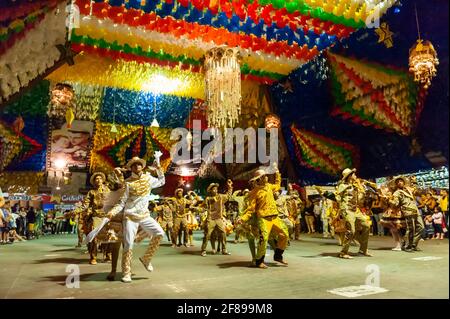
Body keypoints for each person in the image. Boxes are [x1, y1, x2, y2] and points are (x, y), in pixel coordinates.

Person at [106, 154, 165, 283]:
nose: (137, 166)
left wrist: (158, 167)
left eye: (139, 164)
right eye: (134, 165)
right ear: (131, 168)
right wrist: (112, 212)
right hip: (130, 216)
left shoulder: (148, 179)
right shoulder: (127, 183)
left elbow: (162, 181)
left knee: (160, 233)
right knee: (128, 244)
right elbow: (122, 202)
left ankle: (146, 259)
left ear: (142, 167)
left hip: (144, 215)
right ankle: (126, 273)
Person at [237, 163, 289, 269]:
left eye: (266, 176)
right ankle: (259, 261)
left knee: (285, 235)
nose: (266, 177)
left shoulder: (269, 187)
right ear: (259, 179)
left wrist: (277, 172)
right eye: (264, 176)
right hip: (263, 219)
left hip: (274, 217)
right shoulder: (254, 193)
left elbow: (278, 185)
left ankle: (278, 256)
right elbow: (250, 209)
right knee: (263, 239)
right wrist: (242, 218)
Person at [73, 172, 110, 264]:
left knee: (109, 236)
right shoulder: (91, 192)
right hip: (96, 217)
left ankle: (108, 254)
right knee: (94, 236)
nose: (98, 180)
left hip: (107, 216)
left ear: (103, 180)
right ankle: (93, 256)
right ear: (94, 182)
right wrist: (74, 212)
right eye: (96, 179)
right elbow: (85, 205)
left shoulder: (108, 190)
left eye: (100, 178)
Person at [335, 168, 372, 259]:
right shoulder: (342, 186)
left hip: (356, 210)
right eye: (353, 174)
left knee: (366, 225)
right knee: (351, 230)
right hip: (347, 210)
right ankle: (343, 252)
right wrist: (342, 208)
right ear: (349, 176)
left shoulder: (355, 187)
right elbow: (337, 197)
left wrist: (361, 189)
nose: (355, 176)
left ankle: (363, 250)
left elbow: (359, 199)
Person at [388, 176, 424, 252]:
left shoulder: (408, 189)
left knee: (421, 227)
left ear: (404, 182)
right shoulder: (397, 192)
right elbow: (396, 204)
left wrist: (415, 182)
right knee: (411, 229)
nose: (399, 182)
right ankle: (407, 246)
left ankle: (413, 244)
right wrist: (389, 200)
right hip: (408, 211)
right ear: (396, 184)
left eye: (401, 181)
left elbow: (418, 192)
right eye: (398, 182)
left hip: (416, 211)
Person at [200, 181, 232, 257]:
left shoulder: (221, 196)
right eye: (213, 189)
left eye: (216, 189)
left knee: (223, 233)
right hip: (211, 219)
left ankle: (224, 250)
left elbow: (228, 195)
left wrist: (230, 187)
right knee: (207, 235)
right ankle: (203, 250)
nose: (215, 190)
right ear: (210, 190)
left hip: (219, 218)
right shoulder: (208, 198)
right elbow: (203, 207)